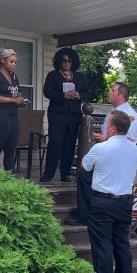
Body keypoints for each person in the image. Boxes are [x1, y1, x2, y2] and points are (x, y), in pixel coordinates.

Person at [67, 81, 137, 225]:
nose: (109, 92)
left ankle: (85, 216)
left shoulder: (130, 115)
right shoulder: (113, 110)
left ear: (121, 95)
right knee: (85, 175)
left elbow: (128, 139)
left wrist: (105, 138)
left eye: (113, 90)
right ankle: (86, 214)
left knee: (85, 175)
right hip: (107, 153)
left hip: (117, 159)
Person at [85, 110, 137, 273]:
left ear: (113, 128)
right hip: (125, 202)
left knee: (102, 246)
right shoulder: (134, 149)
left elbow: (85, 166)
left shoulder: (100, 147)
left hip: (103, 202)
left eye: (107, 125)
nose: (105, 128)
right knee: (122, 243)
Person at [40, 47, 89, 182]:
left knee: (70, 143)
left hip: (74, 114)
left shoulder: (79, 77)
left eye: (69, 61)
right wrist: (63, 96)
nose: (67, 64)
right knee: (55, 143)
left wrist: (78, 95)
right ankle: (48, 173)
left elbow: (86, 93)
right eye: (64, 61)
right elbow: (47, 92)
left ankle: (65, 173)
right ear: (59, 61)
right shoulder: (53, 75)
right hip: (57, 113)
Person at [0, 48, 26, 171]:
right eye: (11, 61)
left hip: (13, 115)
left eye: (15, 62)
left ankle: (9, 181)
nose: (14, 64)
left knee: (10, 149)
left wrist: (20, 100)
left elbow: (15, 93)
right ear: (3, 61)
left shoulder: (13, 76)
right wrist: (12, 100)